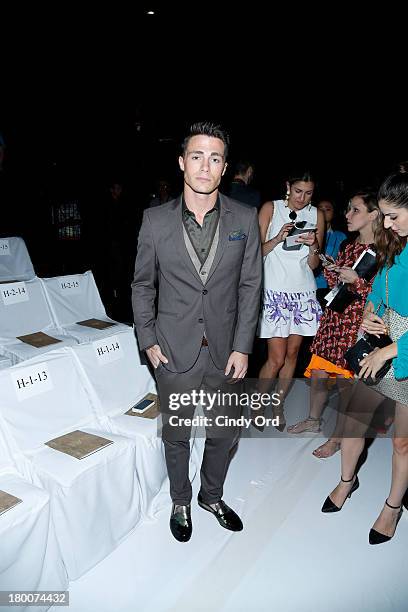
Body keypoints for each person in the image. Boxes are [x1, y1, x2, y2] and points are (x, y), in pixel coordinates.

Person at [132, 121, 262, 542]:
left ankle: (211, 495)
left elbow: (250, 286)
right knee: (177, 436)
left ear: (225, 168)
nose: (205, 166)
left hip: (227, 352)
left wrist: (244, 346)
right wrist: (148, 339)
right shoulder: (154, 221)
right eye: (197, 156)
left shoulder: (244, 218)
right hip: (173, 350)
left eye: (216, 158)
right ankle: (181, 500)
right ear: (181, 163)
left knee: (224, 433)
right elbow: (142, 285)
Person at [321, 171, 408, 545]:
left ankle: (392, 506)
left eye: (394, 216)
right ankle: (346, 481)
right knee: (352, 417)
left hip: (402, 346)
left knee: (403, 441)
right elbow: (378, 286)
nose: (387, 224)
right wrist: (372, 311)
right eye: (384, 216)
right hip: (377, 334)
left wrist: (392, 347)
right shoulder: (392, 240)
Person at [287, 190, 381, 460]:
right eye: (348, 209)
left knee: (344, 384)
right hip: (333, 319)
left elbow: (381, 295)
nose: (347, 215)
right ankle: (313, 420)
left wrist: (357, 281)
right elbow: (334, 283)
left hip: (355, 324)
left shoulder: (384, 252)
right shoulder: (348, 246)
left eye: (355, 210)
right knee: (318, 373)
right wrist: (322, 257)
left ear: (373, 215)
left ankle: (338, 438)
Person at [257, 171, 324, 425]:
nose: (302, 198)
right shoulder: (270, 209)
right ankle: (258, 403)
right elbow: (254, 252)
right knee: (276, 358)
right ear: (288, 186)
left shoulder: (316, 214)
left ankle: (277, 406)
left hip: (303, 291)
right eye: (298, 191)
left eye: (308, 193)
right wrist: (277, 238)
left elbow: (314, 264)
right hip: (275, 291)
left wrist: (313, 245)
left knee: (293, 354)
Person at [314, 198, 347, 308]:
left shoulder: (340, 236)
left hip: (330, 287)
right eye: (320, 209)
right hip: (308, 285)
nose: (323, 212)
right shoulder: (308, 234)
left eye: (327, 209)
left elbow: (344, 263)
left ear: (333, 213)